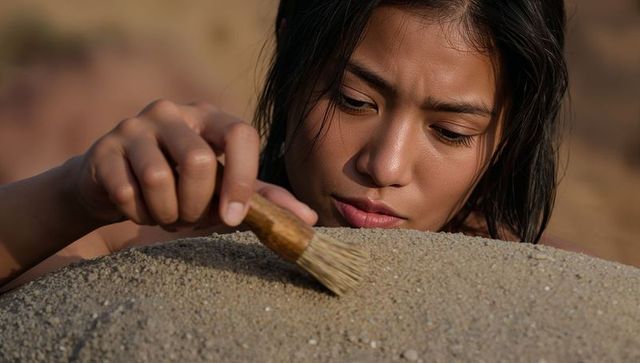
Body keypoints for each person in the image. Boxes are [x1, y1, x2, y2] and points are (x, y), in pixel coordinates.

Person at [0, 0, 580, 291]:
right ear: (293, 74)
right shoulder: (134, 245)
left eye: (451, 132)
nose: (385, 164)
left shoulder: (550, 286)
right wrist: (73, 195)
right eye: (353, 99)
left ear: (507, 142)